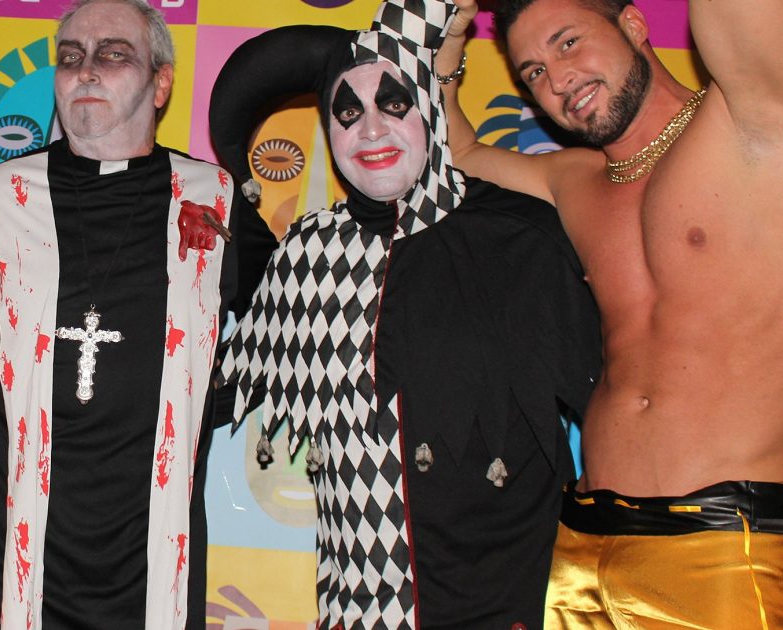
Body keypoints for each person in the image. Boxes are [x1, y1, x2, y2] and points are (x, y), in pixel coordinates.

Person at [439, 0, 783, 625]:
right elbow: (452, 155)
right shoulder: (572, 181)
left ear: (633, 24)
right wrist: (448, 41)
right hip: (580, 548)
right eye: (534, 72)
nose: (558, 79)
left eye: (568, 43)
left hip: (728, 548)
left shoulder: (758, 119)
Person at [214, 1, 600, 627]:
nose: (370, 130)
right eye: (347, 113)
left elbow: (614, 398)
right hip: (361, 612)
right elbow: (204, 394)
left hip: (509, 605)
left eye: (393, 104)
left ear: (428, 107)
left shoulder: (523, 236)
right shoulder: (307, 256)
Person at [0, 0, 273, 627]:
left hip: (153, 552)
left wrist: (207, 394)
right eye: (70, 58)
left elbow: (288, 326)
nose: (86, 70)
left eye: (114, 54)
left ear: (161, 82)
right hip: (10, 544)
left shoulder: (214, 199)